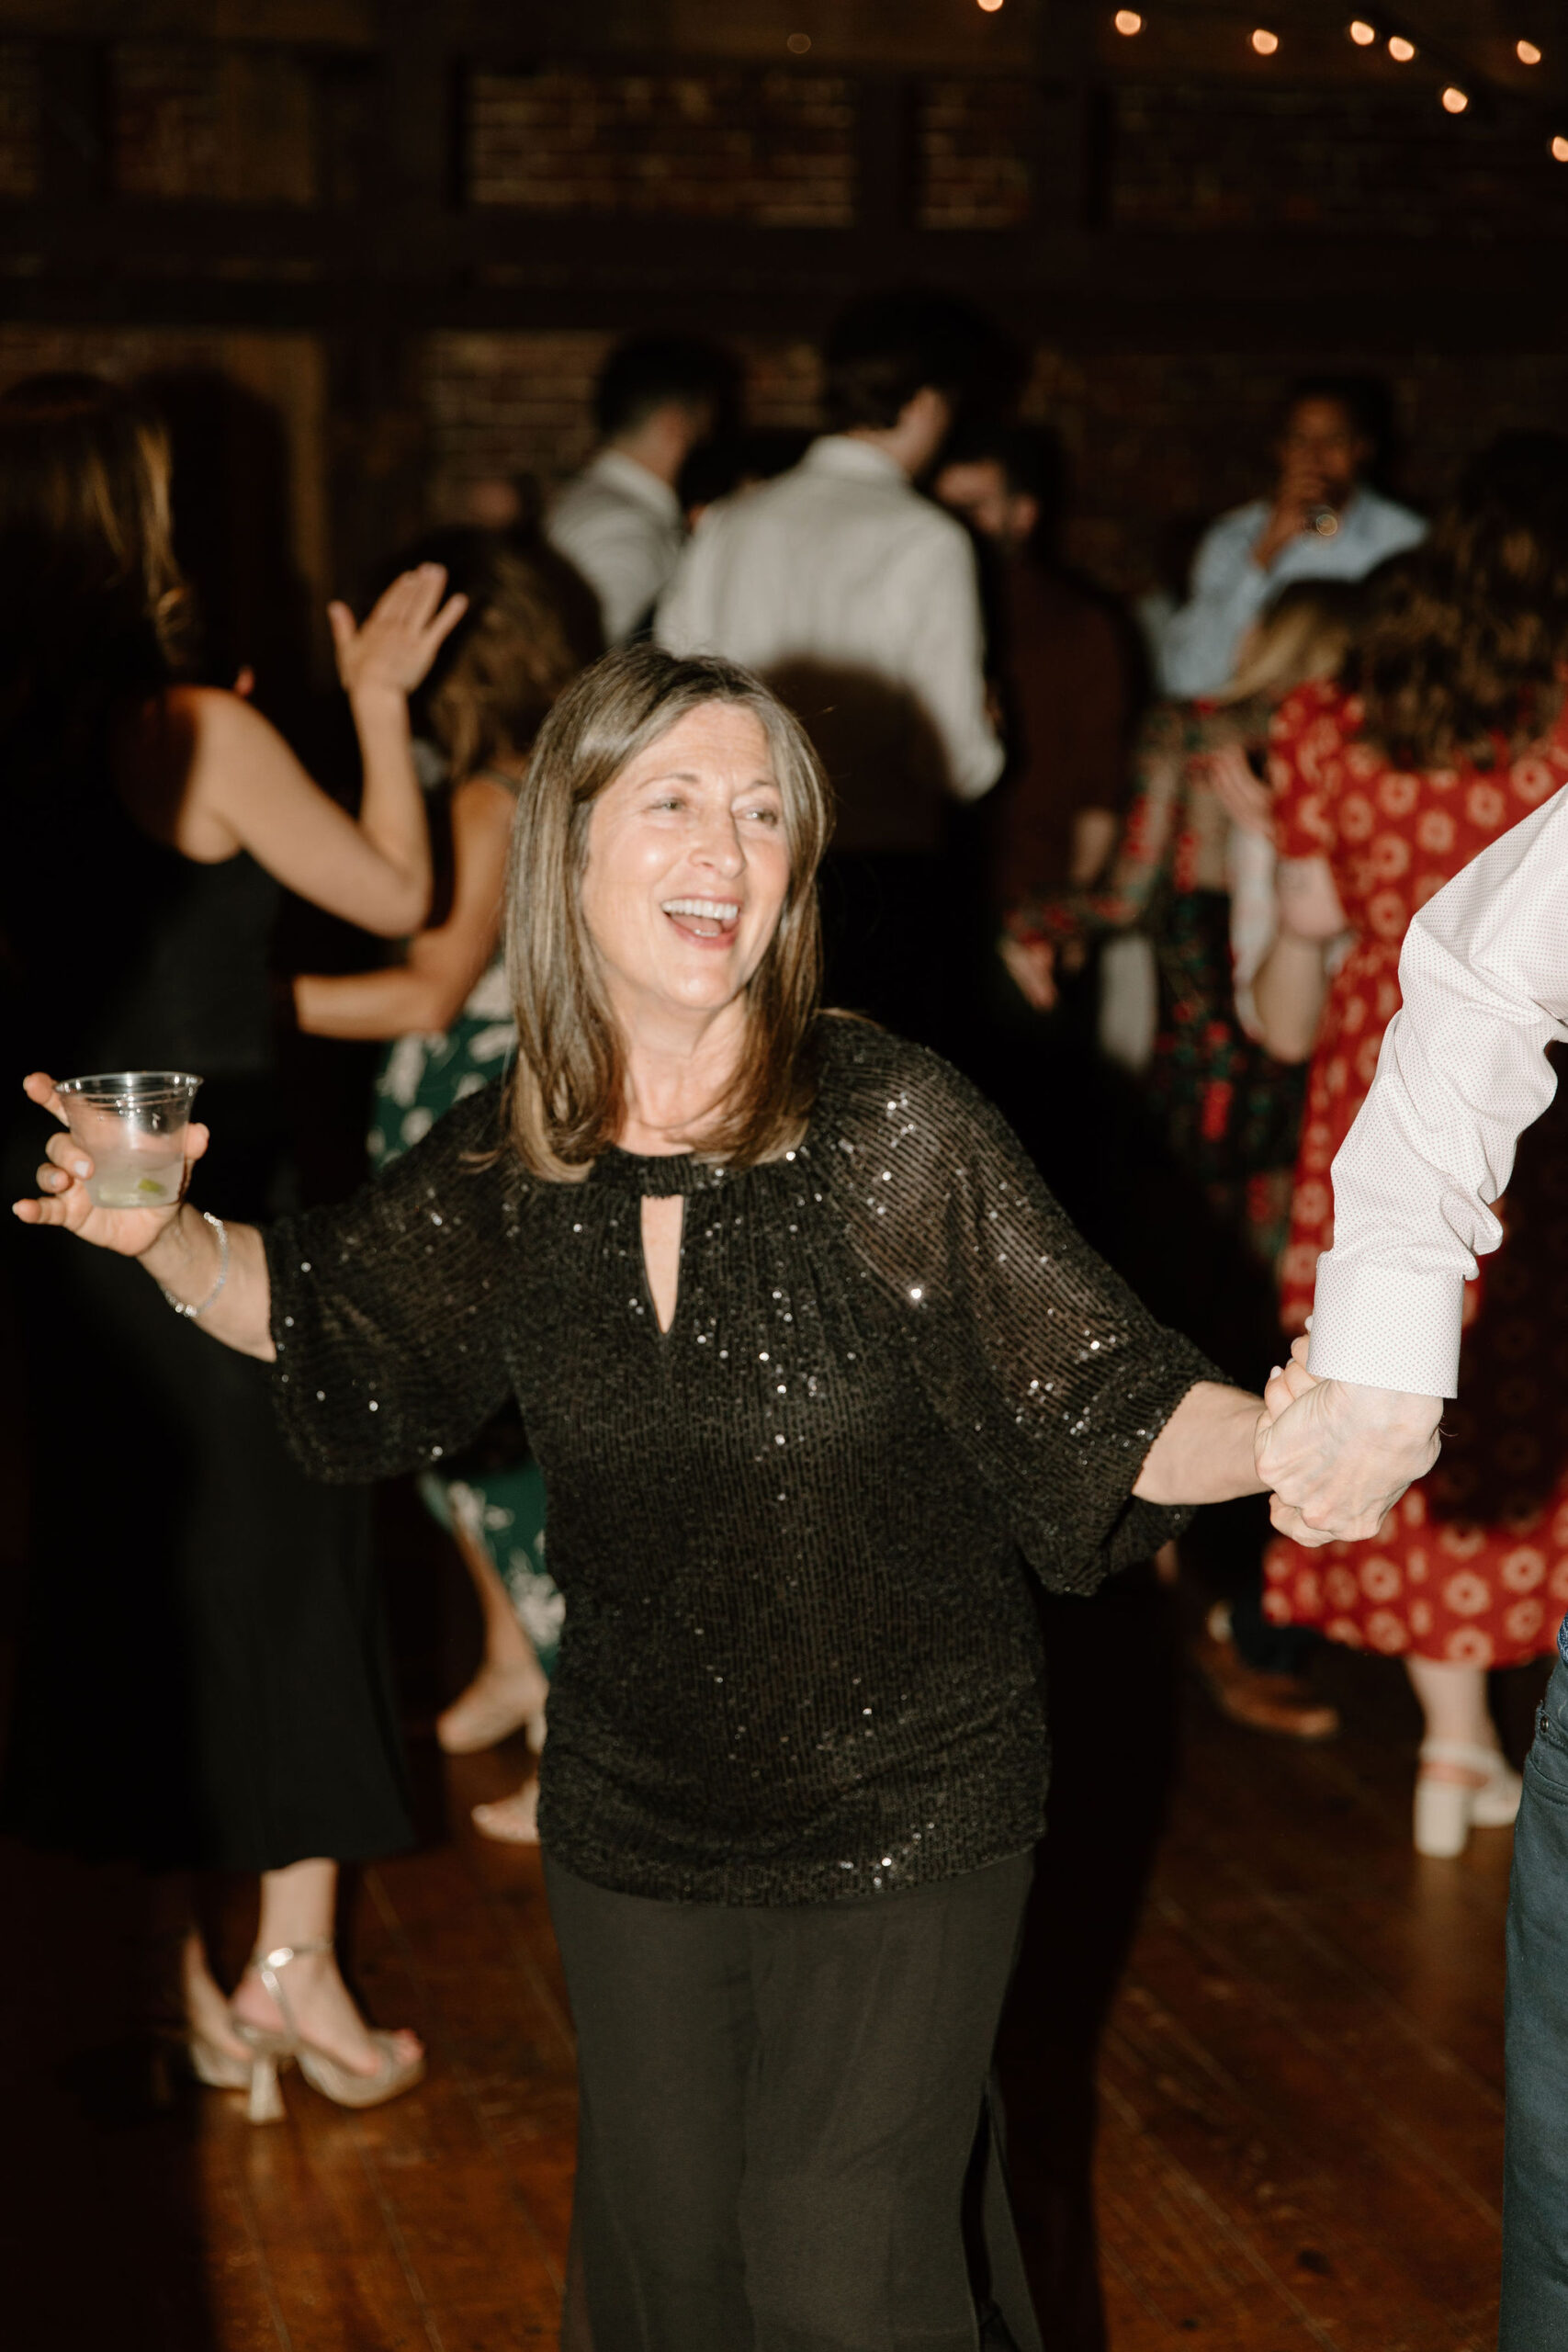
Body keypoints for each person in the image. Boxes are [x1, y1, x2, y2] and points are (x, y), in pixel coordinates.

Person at [17, 641, 1275, 2352]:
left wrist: (1287, 1439)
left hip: (903, 1796)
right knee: (669, 2276)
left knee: (844, 2272)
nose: (727, 848)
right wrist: (162, 1232)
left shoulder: (886, 1121)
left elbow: (1103, 1405)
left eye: (763, 815)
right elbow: (326, 1308)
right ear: (571, 847)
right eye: (675, 801)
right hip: (637, 1804)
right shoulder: (520, 1146)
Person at [0, 375, 468, 2114]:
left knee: (142, 1571)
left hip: (71, 1204)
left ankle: (211, 1975)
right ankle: (291, 1973)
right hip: (232, 1196)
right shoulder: (193, 730)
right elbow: (399, 901)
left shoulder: (26, 736)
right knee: (292, 1575)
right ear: (132, 526)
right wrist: (370, 707)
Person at [1247, 435, 1568, 1860]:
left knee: (1414, 1374)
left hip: (1389, 1087)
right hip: (1545, 1108)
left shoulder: (1329, 711)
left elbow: (1300, 941)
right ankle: (1495, 1727)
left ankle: (1448, 1740)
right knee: (1520, 1392)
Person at [1007, 582, 1363, 1744]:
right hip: (1300, 1076)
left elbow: (1126, 890)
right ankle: (1239, 1622)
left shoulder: (1189, 736)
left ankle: (1180, 1620)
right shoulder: (1350, 752)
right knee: (1270, 1328)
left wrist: (1038, 925)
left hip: (1203, 1074)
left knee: (1184, 1328)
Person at [293, 524, 597, 1844]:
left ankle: (574, 1740)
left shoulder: (490, 795)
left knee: (482, 1428)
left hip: (469, 1122)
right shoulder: (567, 773)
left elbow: (428, 983)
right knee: (463, 1418)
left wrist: (237, 1010)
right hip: (517, 1102)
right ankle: (507, 1659)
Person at [657, 291, 1004, 1043]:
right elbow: (958, 763)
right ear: (924, 402)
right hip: (879, 877)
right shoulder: (925, 540)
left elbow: (669, 695)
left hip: (739, 859)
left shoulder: (732, 525)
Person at [933, 418, 1127, 910]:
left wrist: (1073, 914)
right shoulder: (915, 609)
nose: (953, 525)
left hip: (1035, 899)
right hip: (928, 894)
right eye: (942, 509)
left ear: (1023, 515)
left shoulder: (1076, 622)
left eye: (972, 508)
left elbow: (1101, 787)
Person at [1160, 376, 1425, 699]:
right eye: (1301, 440)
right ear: (1280, 450)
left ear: (1361, 448)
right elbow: (1188, 678)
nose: (1315, 456)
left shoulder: (1407, 539)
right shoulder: (1231, 539)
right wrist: (1264, 553)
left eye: (1334, 440)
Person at [547, 333, 733, 646]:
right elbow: (612, 671)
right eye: (707, 426)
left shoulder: (587, 500)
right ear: (675, 425)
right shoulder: (626, 528)